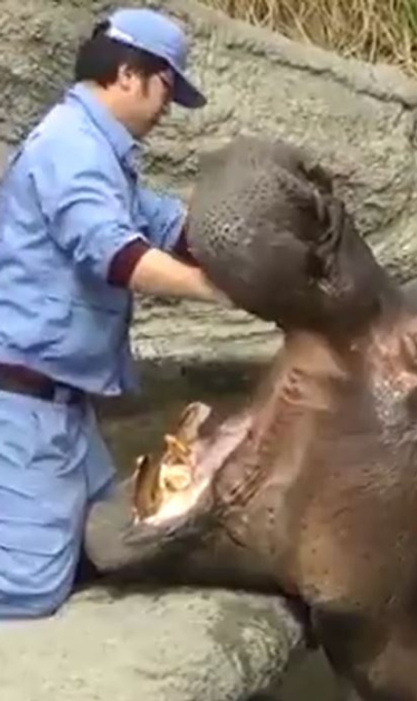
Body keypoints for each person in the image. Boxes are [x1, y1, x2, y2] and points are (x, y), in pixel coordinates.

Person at [0, 7, 230, 619]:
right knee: (29, 590)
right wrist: (219, 292)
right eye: (165, 88)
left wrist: (248, 251)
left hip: (66, 411)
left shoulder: (104, 152)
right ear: (129, 74)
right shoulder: (70, 147)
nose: (166, 108)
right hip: (20, 405)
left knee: (119, 531)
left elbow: (166, 224)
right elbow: (117, 255)